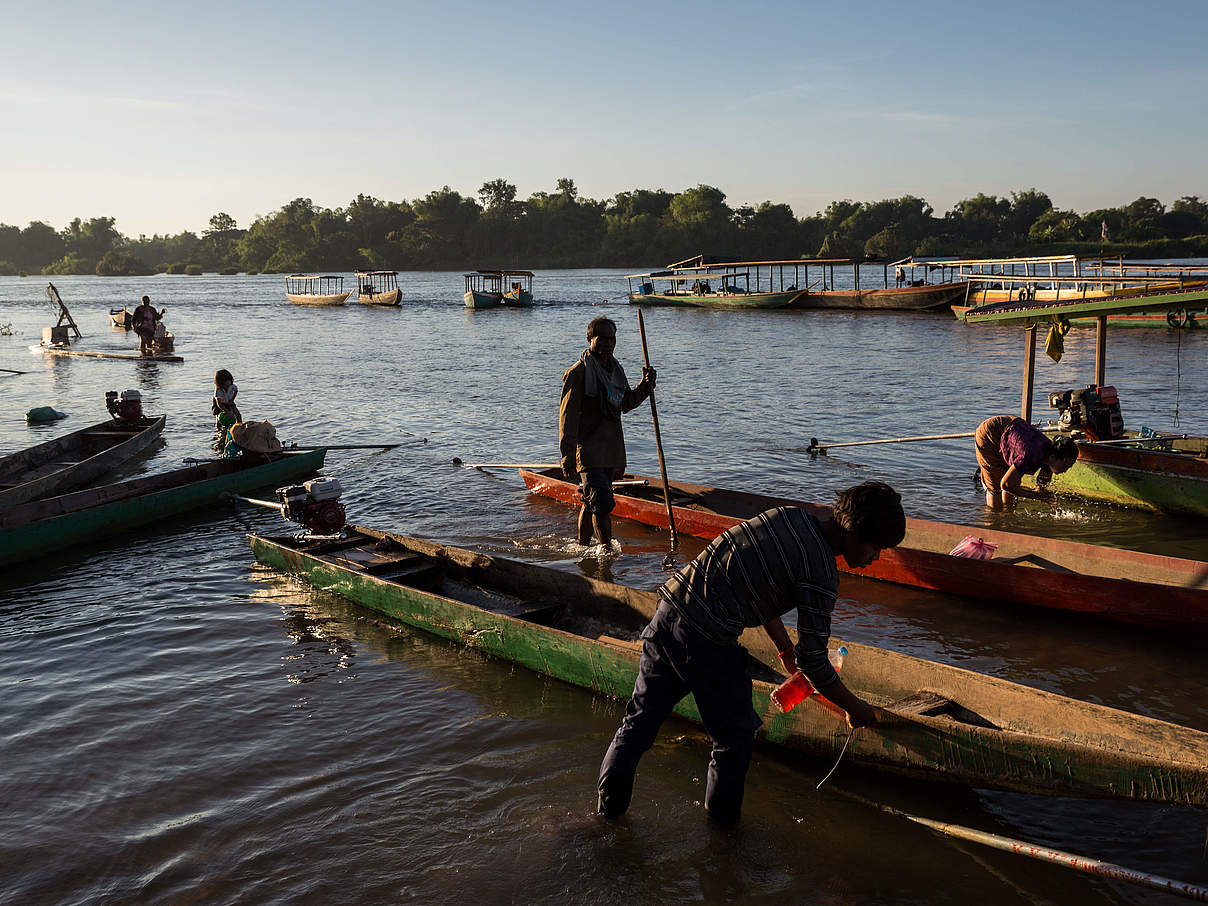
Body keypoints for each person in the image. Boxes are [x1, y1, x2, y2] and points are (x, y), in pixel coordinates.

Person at [597, 481, 907, 826]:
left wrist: (784, 648)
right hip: (706, 637)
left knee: (637, 725)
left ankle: (607, 818)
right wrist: (856, 708)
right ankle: (723, 837)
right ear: (853, 531)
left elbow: (752, 586)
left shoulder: (788, 517)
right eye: (875, 548)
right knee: (735, 738)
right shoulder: (821, 571)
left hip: (670, 611)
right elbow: (815, 663)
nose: (875, 558)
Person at [558, 316, 656, 548]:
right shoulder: (578, 373)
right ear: (589, 339)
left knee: (591, 502)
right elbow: (567, 418)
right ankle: (606, 554)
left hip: (610, 450)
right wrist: (567, 456)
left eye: (611, 339)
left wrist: (646, 385)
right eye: (602, 338)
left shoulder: (616, 371)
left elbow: (625, 404)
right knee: (601, 504)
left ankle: (582, 549)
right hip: (588, 452)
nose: (607, 344)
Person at [974, 415, 1079, 509]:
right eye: (1066, 465)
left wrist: (1040, 490)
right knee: (995, 486)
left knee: (1014, 483)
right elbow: (1005, 485)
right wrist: (1035, 496)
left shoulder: (1050, 452)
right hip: (990, 433)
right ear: (1053, 457)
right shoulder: (1029, 454)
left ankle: (1008, 516)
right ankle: (994, 522)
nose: (1066, 470)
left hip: (1013, 430)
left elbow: (1043, 480)